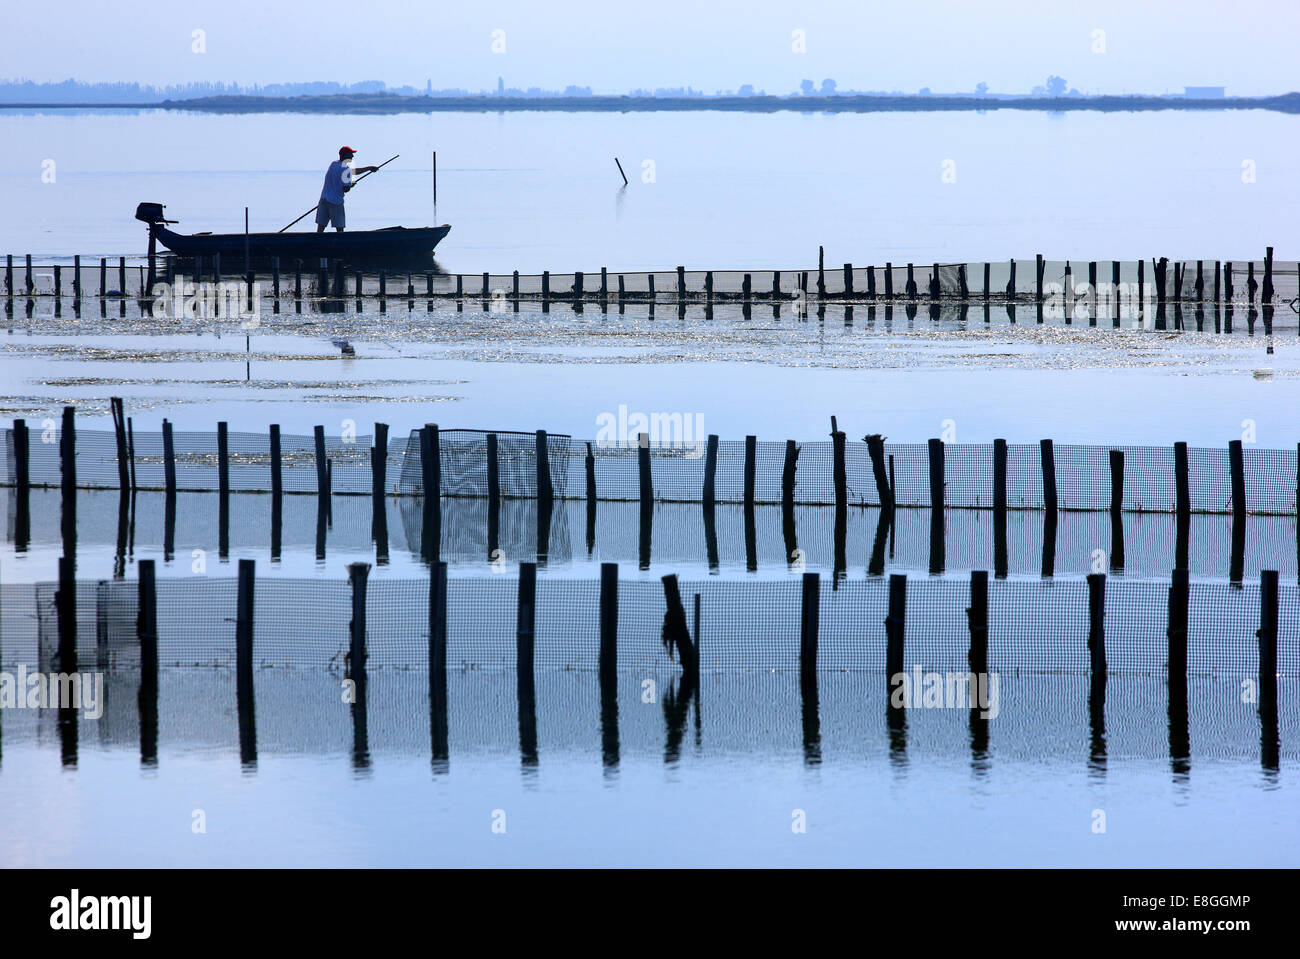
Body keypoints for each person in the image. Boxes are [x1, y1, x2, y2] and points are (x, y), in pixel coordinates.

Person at [316, 147, 378, 232]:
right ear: (345, 155)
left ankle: (318, 243)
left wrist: (368, 168)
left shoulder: (333, 164)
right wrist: (350, 185)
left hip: (323, 200)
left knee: (320, 228)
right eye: (350, 154)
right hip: (336, 202)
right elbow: (345, 189)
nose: (352, 156)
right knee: (340, 228)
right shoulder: (345, 169)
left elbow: (351, 171)